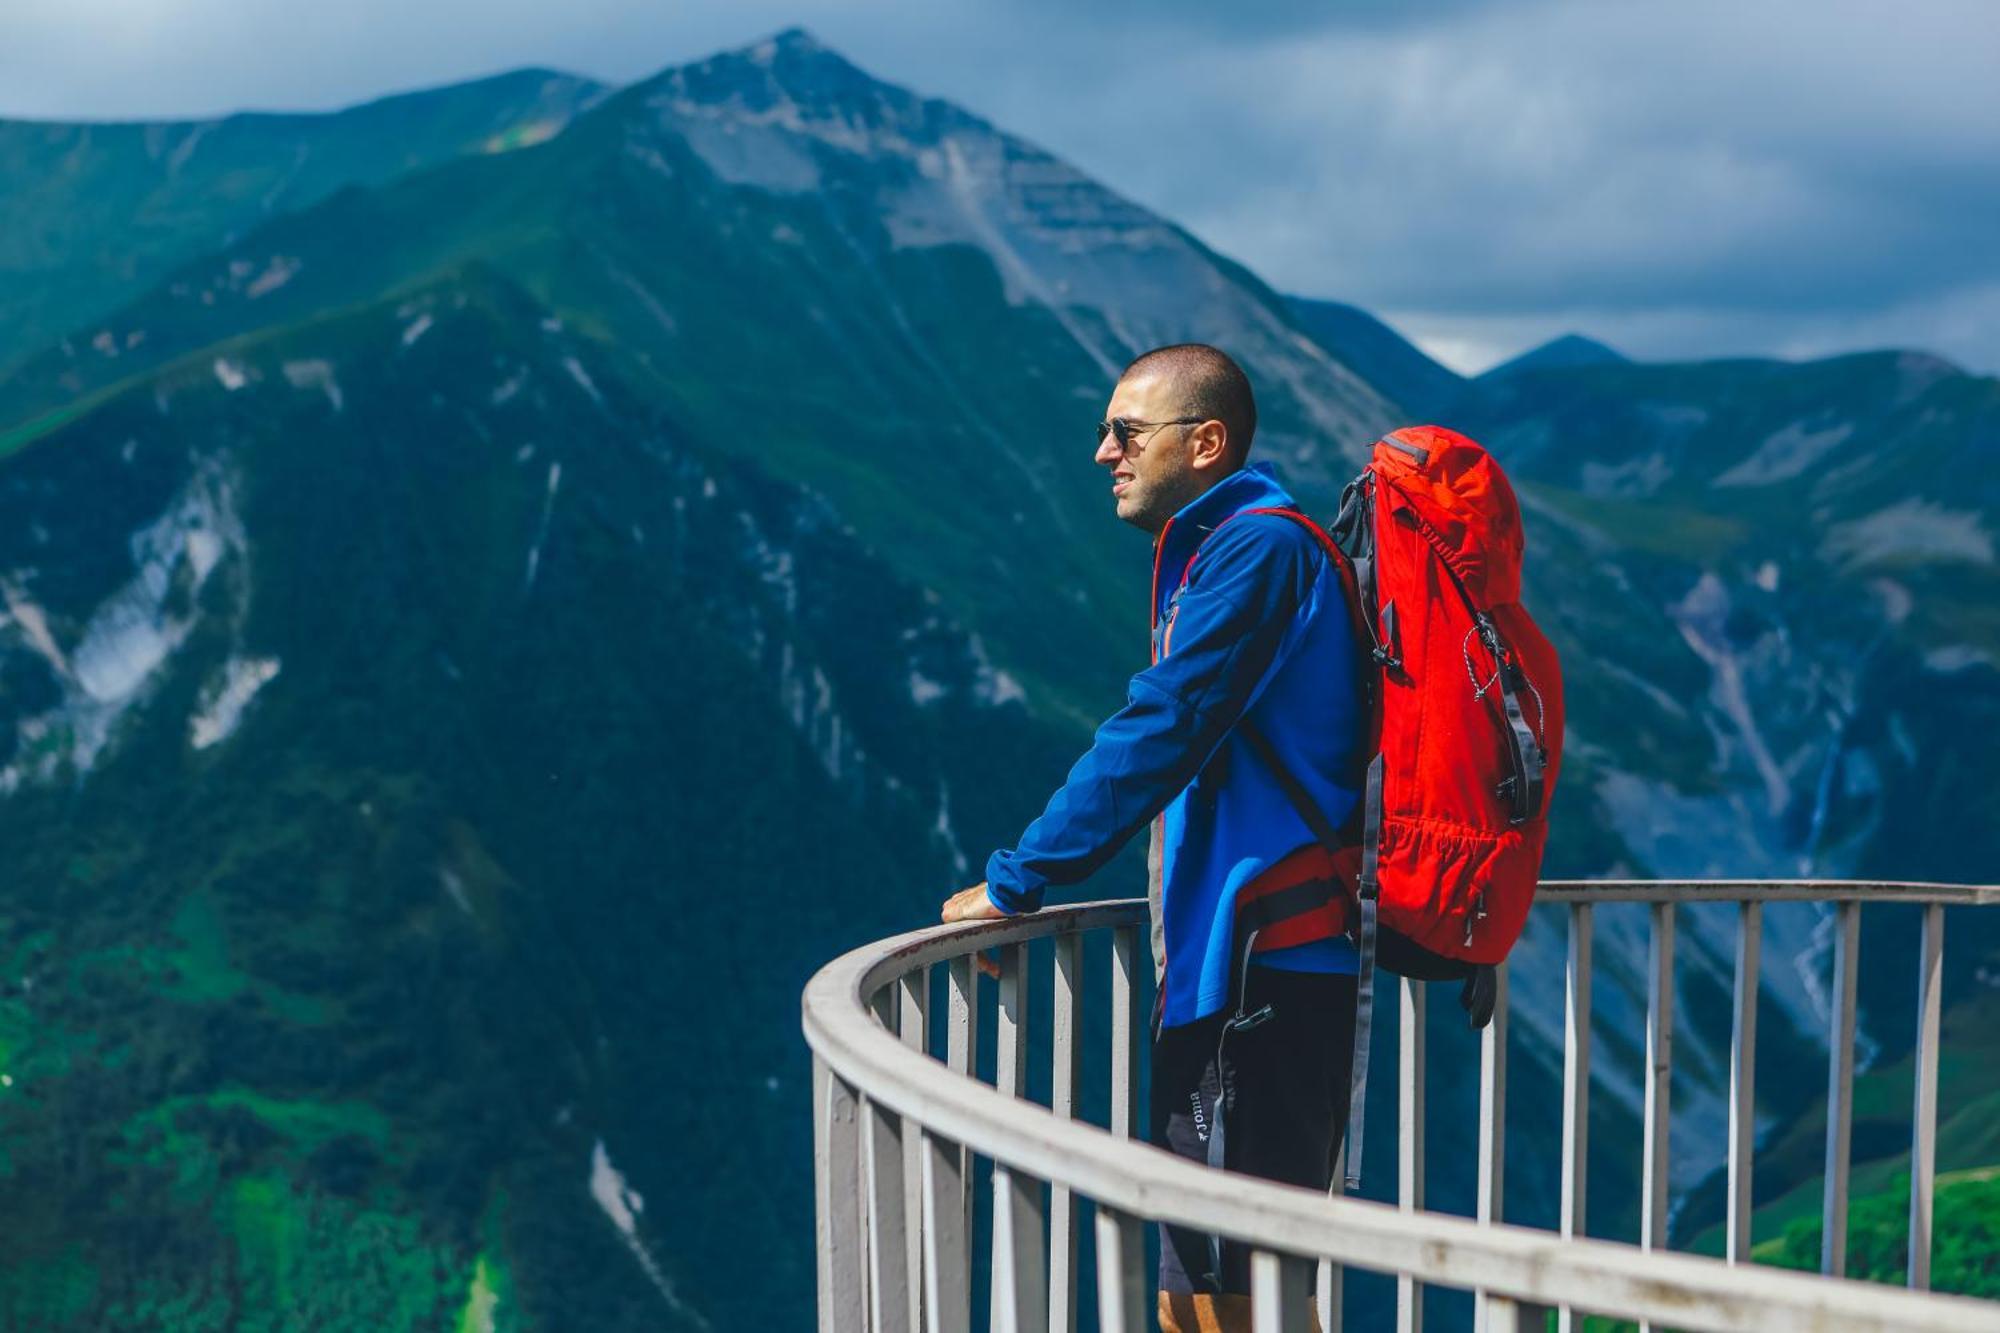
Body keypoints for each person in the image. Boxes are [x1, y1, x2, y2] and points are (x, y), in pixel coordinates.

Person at [939, 343, 1364, 1332]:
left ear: (1204, 442)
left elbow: (1164, 724)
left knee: (1218, 1304)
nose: (1101, 453)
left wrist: (1017, 880)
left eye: (1124, 432)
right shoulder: (1243, 546)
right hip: (1264, 968)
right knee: (1237, 1294)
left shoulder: (1258, 551)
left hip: (1260, 975)